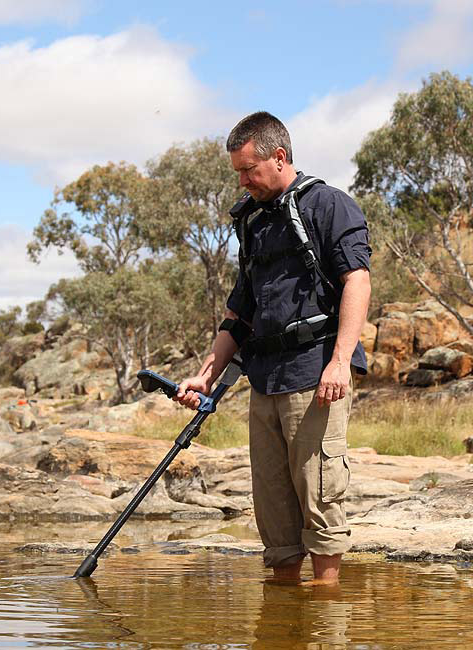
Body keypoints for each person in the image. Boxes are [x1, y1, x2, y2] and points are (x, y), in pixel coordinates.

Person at [174, 111, 371, 583]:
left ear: (279, 157)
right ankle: (282, 623)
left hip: (315, 376)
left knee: (320, 501)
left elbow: (357, 282)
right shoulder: (254, 223)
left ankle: (325, 618)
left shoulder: (329, 206)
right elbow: (238, 315)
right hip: (264, 380)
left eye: (249, 170)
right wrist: (206, 375)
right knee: (275, 518)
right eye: (238, 172)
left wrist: (340, 362)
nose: (243, 181)